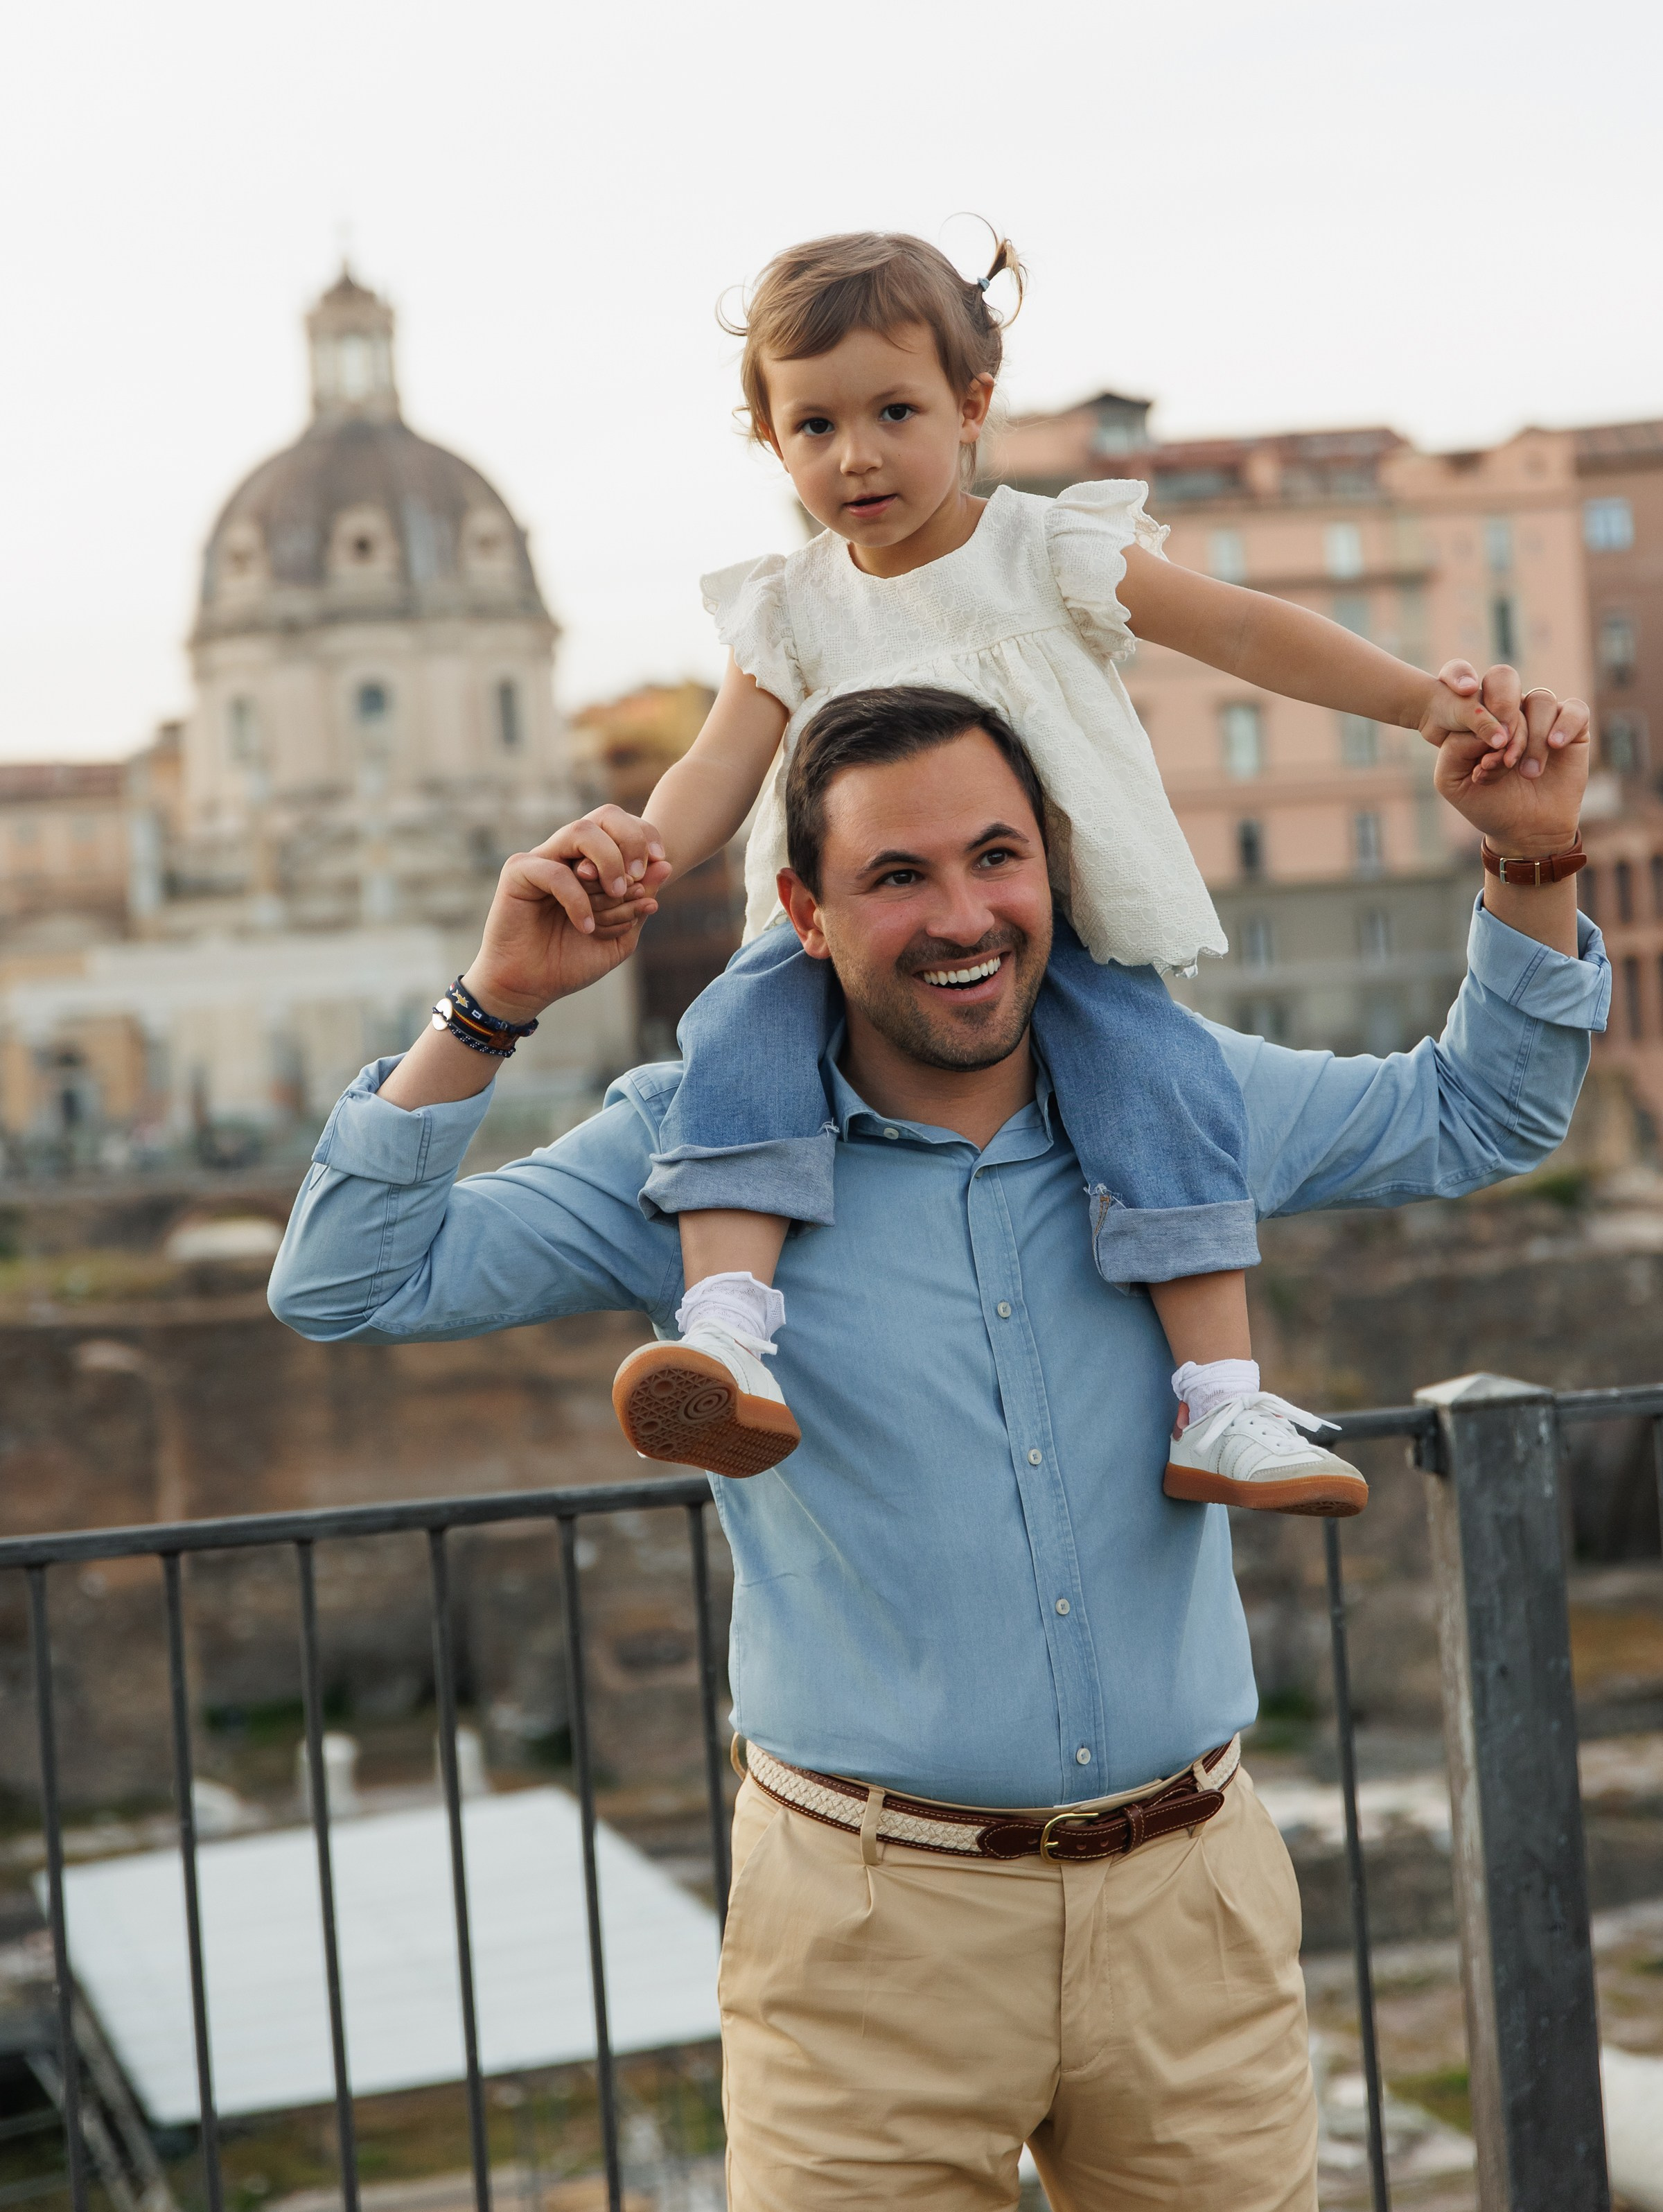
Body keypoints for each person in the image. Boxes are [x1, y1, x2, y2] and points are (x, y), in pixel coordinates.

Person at [271, 679, 1605, 2212]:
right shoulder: (688, 1146)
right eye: (898, 876)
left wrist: (1530, 859)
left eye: (996, 857)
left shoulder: (1186, 1099)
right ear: (806, 912)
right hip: (868, 1945)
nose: (964, 917)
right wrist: (492, 1004)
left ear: (1054, 868)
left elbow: (1480, 1117)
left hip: (1193, 1922)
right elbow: (344, 1284)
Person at [527, 228, 1554, 1509]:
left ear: (971, 408)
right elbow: (719, 765)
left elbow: (1243, 631)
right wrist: (645, 849)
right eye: (815, 427)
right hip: (842, 936)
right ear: (772, 444)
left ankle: (1220, 1403)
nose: (856, 455)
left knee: (1160, 1080)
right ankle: (727, 1335)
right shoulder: (786, 607)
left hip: (1041, 925)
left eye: (894, 412)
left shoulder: (1047, 550)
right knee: (734, 1047)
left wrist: (1419, 705)